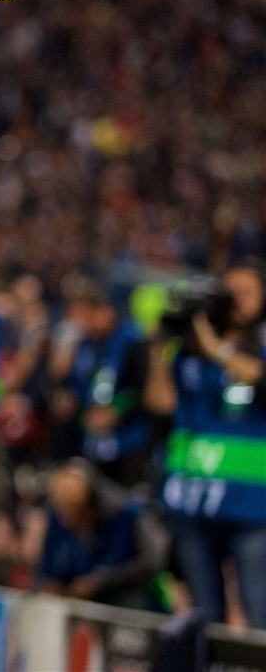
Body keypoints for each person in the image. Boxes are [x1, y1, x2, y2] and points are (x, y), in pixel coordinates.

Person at [145, 260, 266, 629]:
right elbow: (161, 403)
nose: (235, 301)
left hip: (252, 503)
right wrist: (159, 347)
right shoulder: (191, 349)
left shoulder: (256, 346)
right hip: (193, 499)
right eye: (227, 293)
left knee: (258, 607)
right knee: (204, 614)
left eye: (246, 293)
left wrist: (216, 348)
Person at [49, 276, 157, 489]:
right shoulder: (83, 345)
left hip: (127, 444)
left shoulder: (133, 341)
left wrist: (116, 410)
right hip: (90, 444)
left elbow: (142, 389)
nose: (81, 322)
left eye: (87, 313)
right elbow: (75, 390)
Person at [36, 460, 169, 611]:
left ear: (91, 503)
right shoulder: (56, 515)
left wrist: (102, 581)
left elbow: (153, 561)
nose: (67, 520)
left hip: (124, 599)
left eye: (75, 513)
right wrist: (50, 584)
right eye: (62, 512)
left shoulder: (126, 514)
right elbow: (46, 569)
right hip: (72, 603)